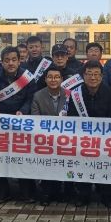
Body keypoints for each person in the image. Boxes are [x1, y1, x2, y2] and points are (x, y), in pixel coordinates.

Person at [0, 46, 37, 203]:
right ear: (2, 62)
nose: (10, 63)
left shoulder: (27, 77)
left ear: (19, 61)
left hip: (21, 123)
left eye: (14, 60)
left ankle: (27, 192)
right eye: (7, 60)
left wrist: (23, 111)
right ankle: (2, 192)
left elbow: (31, 98)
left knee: (23, 157)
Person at [67, 60, 111, 207]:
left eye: (96, 74)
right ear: (83, 76)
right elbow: (72, 117)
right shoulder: (75, 94)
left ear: (102, 76)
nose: (93, 77)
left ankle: (106, 195)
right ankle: (83, 195)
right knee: (83, 166)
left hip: (104, 140)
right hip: (83, 140)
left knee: (104, 167)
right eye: (89, 74)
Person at [31, 65, 70, 205]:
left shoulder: (70, 95)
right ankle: (46, 193)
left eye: (57, 77)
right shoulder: (38, 96)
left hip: (66, 139)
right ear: (45, 79)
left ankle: (62, 192)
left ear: (62, 79)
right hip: (45, 138)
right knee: (47, 164)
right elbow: (35, 118)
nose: (53, 80)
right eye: (50, 77)